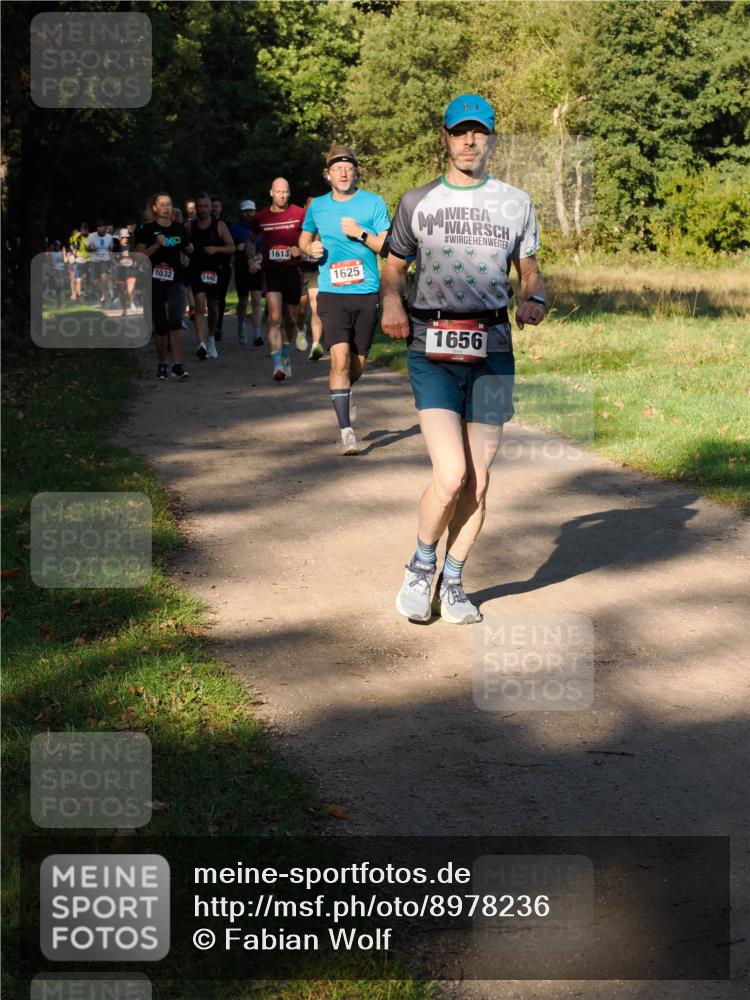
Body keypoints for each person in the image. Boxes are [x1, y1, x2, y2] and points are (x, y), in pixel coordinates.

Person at [381, 94, 547, 624]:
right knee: (451, 474)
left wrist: (534, 295)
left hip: (494, 347)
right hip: (432, 343)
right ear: (446, 137)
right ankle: (419, 566)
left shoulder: (516, 202)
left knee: (479, 478)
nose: (469, 141)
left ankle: (453, 581)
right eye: (460, 132)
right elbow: (394, 261)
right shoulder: (417, 201)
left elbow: (530, 265)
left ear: (491, 137)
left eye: (479, 132)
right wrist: (390, 300)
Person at [300, 146, 390, 454]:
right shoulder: (318, 207)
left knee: (357, 365)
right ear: (327, 175)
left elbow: (387, 247)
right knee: (338, 359)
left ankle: (343, 393)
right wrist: (307, 248)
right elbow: (304, 235)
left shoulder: (373, 203)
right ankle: (346, 430)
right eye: (336, 168)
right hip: (331, 293)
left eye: (348, 167)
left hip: (366, 293)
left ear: (355, 172)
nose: (342, 172)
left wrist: (362, 233)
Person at [251, 178, 305, 381]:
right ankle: (277, 365)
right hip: (271, 271)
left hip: (293, 271)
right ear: (271, 193)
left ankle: (285, 354)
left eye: (285, 192)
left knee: (291, 318)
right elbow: (251, 240)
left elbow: (311, 238)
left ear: (289, 193)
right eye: (278, 191)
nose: (282, 195)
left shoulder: (299, 213)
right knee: (274, 317)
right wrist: (252, 258)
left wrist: (299, 248)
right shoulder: (260, 217)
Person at [135, 191, 192, 380]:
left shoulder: (179, 228)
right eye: (162, 205)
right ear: (155, 208)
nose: (167, 208)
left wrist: (186, 254)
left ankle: (177, 365)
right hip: (154, 281)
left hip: (175, 280)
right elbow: (139, 256)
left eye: (169, 204)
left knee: (176, 322)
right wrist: (156, 246)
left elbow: (183, 252)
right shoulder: (146, 229)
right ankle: (162, 364)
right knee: (160, 325)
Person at [187, 191, 234, 359]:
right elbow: (182, 247)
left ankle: (211, 338)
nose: (203, 210)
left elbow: (231, 247)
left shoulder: (219, 225)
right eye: (200, 207)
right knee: (199, 305)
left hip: (215, 270)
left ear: (210, 207)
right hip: (197, 270)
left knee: (214, 307)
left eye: (206, 206)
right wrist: (186, 251)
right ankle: (201, 344)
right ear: (195, 208)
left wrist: (216, 249)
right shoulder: (189, 227)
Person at [298, 196, 324, 362]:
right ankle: (300, 329)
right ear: (305, 207)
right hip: (300, 271)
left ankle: (315, 345)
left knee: (316, 306)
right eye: (310, 207)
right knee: (300, 310)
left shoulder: (324, 225)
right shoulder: (300, 225)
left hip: (316, 271)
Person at [229, 199, 257, 345]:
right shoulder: (234, 228)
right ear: (241, 213)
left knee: (257, 300)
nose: (249, 214)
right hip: (241, 267)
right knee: (243, 301)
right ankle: (241, 325)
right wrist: (236, 247)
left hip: (258, 266)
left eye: (251, 211)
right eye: (246, 211)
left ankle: (257, 332)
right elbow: (228, 247)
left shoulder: (260, 227)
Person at [210, 195, 231, 340]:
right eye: (212, 206)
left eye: (217, 206)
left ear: (221, 209)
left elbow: (232, 247)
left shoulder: (226, 225)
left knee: (220, 299)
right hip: (205, 267)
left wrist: (217, 250)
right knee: (209, 300)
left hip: (223, 267)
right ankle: (210, 327)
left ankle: (218, 326)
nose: (214, 209)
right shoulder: (201, 225)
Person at [86, 220, 114, 305]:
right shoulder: (91, 236)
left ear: (105, 228)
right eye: (98, 227)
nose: (99, 228)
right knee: (95, 282)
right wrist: (92, 249)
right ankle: (102, 293)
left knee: (104, 278)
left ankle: (104, 296)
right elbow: (87, 248)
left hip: (105, 261)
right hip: (95, 261)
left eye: (101, 226)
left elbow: (110, 249)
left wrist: (111, 259)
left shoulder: (109, 237)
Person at [114, 228, 137, 315]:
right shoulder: (116, 246)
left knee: (130, 290)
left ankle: (131, 302)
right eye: (123, 237)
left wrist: (135, 262)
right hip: (120, 271)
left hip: (131, 270)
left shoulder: (131, 246)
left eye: (127, 237)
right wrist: (116, 263)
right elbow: (111, 256)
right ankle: (124, 309)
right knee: (121, 291)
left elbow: (137, 255)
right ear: (120, 237)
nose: (125, 239)